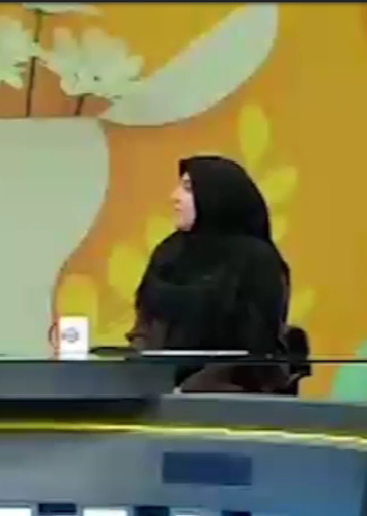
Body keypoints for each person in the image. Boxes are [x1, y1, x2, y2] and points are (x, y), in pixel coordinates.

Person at [125, 155, 294, 394]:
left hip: (227, 395)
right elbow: (147, 326)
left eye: (188, 189)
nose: (174, 196)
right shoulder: (169, 252)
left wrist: (189, 390)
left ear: (214, 197)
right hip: (159, 390)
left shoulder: (257, 261)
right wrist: (139, 375)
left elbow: (254, 348)